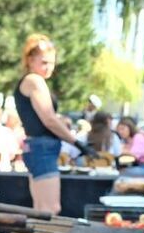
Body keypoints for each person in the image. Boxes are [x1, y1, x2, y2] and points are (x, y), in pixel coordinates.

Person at [14, 33, 93, 213]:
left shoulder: (32, 81)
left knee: (41, 208)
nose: (49, 67)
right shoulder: (35, 80)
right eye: (44, 62)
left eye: (51, 62)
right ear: (30, 60)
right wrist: (77, 143)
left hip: (38, 147)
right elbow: (49, 119)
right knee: (49, 209)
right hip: (42, 148)